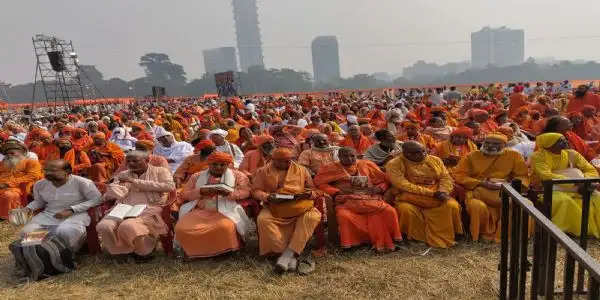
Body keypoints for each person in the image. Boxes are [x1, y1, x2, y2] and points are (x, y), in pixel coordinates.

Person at [314, 147, 402, 251]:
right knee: (344, 216)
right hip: (346, 199)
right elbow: (319, 183)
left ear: (357, 156)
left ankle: (383, 239)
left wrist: (379, 188)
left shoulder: (366, 164)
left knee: (389, 211)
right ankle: (354, 243)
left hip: (370, 198)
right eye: (345, 156)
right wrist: (336, 191)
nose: (350, 159)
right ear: (339, 157)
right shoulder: (330, 167)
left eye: (352, 156)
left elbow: (385, 179)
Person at [96, 151, 175, 262]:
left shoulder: (160, 171)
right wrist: (113, 186)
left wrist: (135, 182)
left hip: (150, 206)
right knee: (104, 226)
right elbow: (117, 193)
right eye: (128, 161)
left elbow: (169, 186)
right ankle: (119, 252)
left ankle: (143, 252)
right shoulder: (124, 174)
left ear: (147, 160)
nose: (131, 164)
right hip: (124, 206)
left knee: (128, 225)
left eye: (135, 161)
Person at [252, 148, 322, 272]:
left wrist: (308, 194)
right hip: (274, 207)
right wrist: (267, 197)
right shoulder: (263, 171)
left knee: (312, 217)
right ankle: (285, 254)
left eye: (289, 160)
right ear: (273, 160)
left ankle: (288, 255)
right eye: (283, 161)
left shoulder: (301, 170)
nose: (288, 163)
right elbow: (256, 190)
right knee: (263, 220)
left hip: (300, 206)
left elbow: (313, 189)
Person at [385, 141, 462, 248]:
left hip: (437, 193)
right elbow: (402, 184)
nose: (422, 155)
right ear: (406, 153)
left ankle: (450, 235)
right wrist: (431, 193)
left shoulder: (435, 159)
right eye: (416, 153)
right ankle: (415, 239)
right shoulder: (394, 164)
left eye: (424, 151)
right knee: (405, 210)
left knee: (451, 205)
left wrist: (443, 190)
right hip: (409, 195)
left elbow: (445, 177)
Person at [174, 152, 252, 258]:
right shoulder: (197, 176)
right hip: (200, 210)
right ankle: (194, 251)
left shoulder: (238, 175)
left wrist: (229, 194)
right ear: (209, 164)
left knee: (224, 227)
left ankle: (225, 252)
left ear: (228, 165)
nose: (218, 167)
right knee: (182, 228)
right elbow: (185, 194)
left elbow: (246, 192)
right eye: (214, 164)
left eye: (222, 165)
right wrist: (201, 192)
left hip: (226, 210)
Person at [454, 134, 529, 242]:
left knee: (524, 204)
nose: (490, 146)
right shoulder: (472, 156)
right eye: (487, 143)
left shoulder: (514, 155)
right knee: (476, 206)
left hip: (505, 189)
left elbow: (522, 175)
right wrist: (481, 183)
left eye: (495, 144)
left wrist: (511, 185)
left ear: (504, 145)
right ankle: (481, 236)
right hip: (478, 189)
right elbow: (459, 175)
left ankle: (505, 236)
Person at [20, 160, 102, 251]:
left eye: (53, 171)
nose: (48, 173)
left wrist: (72, 210)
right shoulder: (40, 184)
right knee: (27, 232)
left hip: (76, 215)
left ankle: (66, 254)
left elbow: (97, 199)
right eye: (46, 170)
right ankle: (42, 253)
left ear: (67, 172)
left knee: (65, 232)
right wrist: (28, 208)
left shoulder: (82, 182)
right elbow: (39, 201)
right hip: (49, 216)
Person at [532, 133, 600, 237]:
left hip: (581, 186)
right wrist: (576, 182)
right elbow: (546, 176)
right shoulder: (538, 156)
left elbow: (589, 169)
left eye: (564, 139)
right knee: (565, 202)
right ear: (548, 144)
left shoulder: (572, 154)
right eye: (560, 141)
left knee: (597, 198)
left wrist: (587, 181)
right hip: (550, 188)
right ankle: (568, 232)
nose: (565, 142)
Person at [0, 142, 43, 219]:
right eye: (7, 154)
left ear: (22, 152)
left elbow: (33, 176)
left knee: (9, 195)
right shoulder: (2, 163)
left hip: (20, 188)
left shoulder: (31, 162)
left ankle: (7, 217)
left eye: (12, 153)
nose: (9, 155)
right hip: (2, 186)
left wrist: (8, 184)